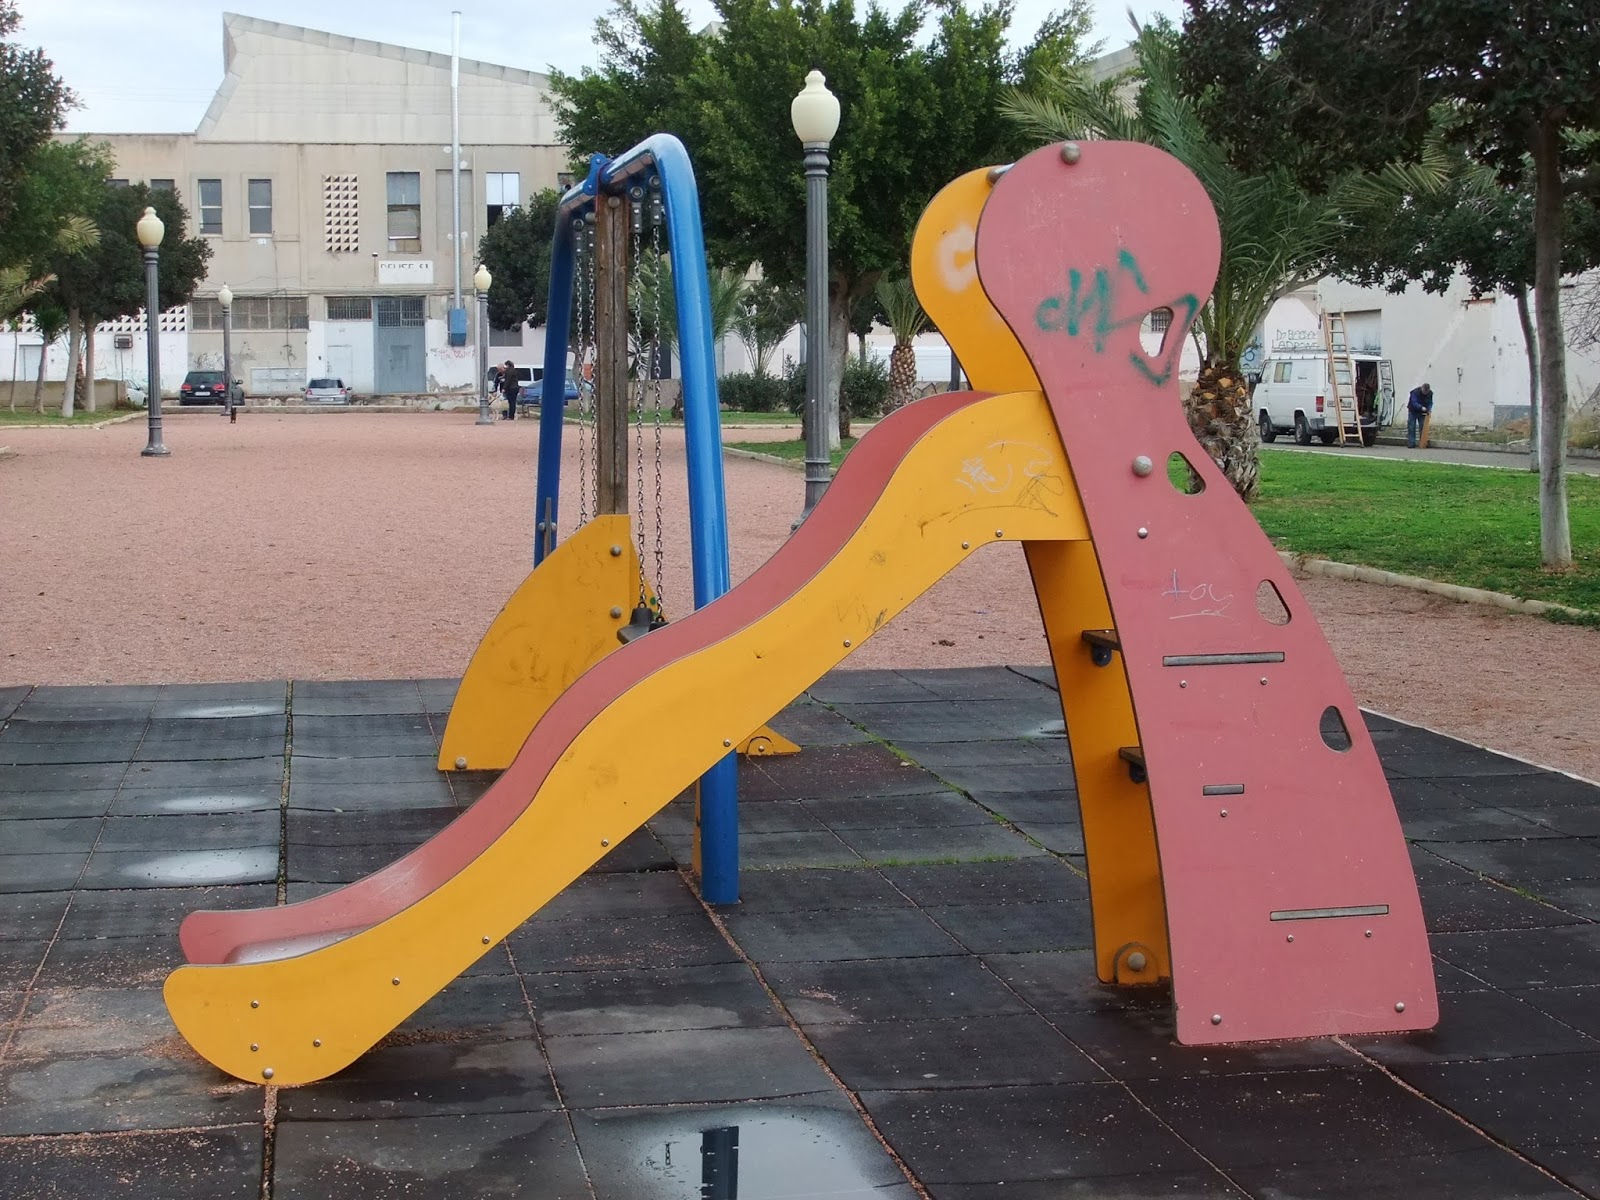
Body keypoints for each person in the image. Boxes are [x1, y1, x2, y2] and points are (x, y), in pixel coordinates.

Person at [1406, 382, 1434, 448]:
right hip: (1413, 411)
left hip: (1422, 412)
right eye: (1424, 391)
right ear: (1422, 388)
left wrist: (1429, 409)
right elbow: (1414, 402)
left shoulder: (1430, 393)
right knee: (1411, 427)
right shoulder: (1415, 392)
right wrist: (1421, 407)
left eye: (1426, 392)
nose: (1425, 393)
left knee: (1423, 427)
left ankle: (1422, 443)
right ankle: (1411, 443)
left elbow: (1430, 402)